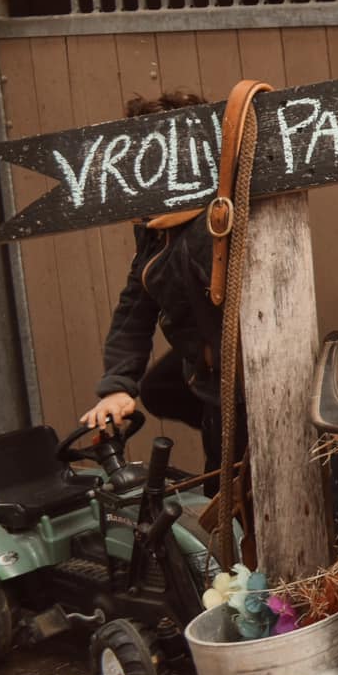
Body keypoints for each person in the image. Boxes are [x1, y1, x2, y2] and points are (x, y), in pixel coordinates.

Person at [83, 92, 226, 473]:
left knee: (230, 474)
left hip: (239, 375)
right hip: (204, 368)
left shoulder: (215, 222)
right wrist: (117, 385)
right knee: (159, 388)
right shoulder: (154, 231)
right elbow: (135, 306)